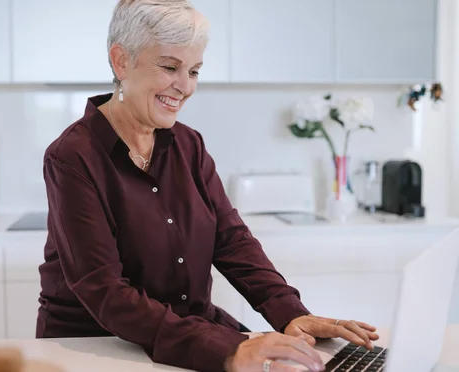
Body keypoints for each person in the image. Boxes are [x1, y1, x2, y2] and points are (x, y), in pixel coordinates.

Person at [36, 1, 379, 371]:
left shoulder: (188, 145)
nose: (184, 87)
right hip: (97, 346)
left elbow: (232, 240)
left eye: (194, 71)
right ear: (122, 62)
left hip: (188, 331)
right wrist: (229, 350)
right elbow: (103, 289)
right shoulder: (72, 156)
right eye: (169, 67)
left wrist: (288, 313)